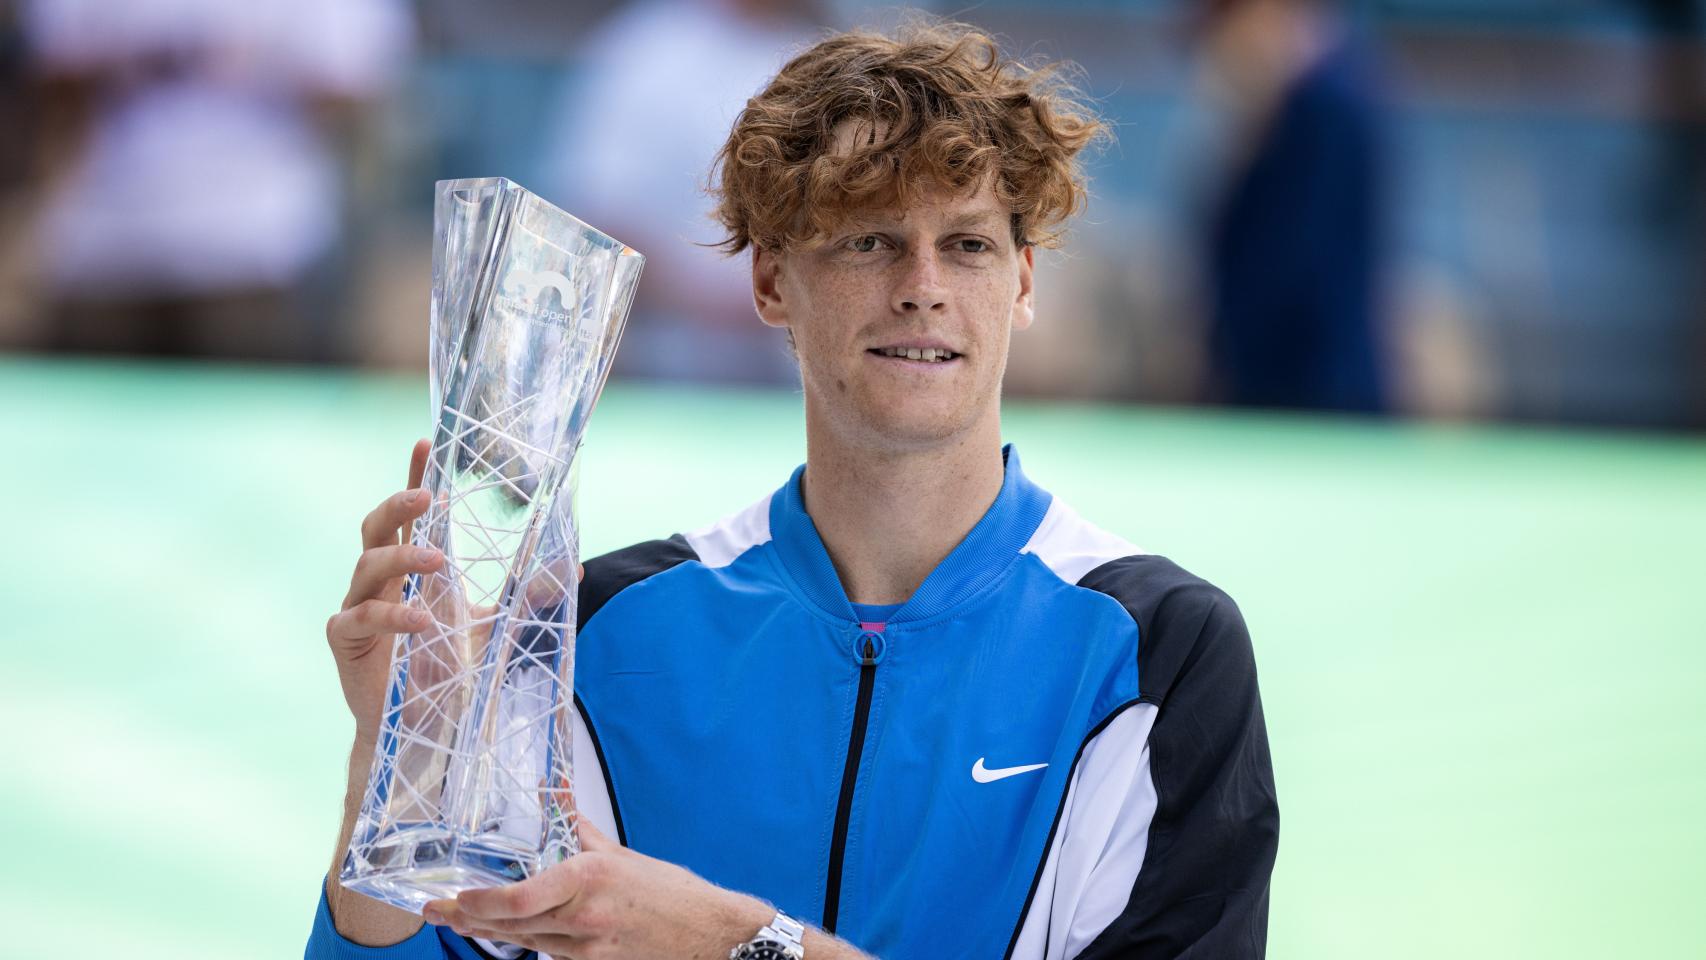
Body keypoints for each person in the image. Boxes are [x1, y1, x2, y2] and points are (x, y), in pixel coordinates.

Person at [309, 19, 1278, 960]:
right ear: (770, 282)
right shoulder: (586, 630)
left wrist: (738, 947)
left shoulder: (1156, 649)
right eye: (867, 242)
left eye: (969, 245)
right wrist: (403, 765)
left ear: (1022, 283)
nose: (922, 285)